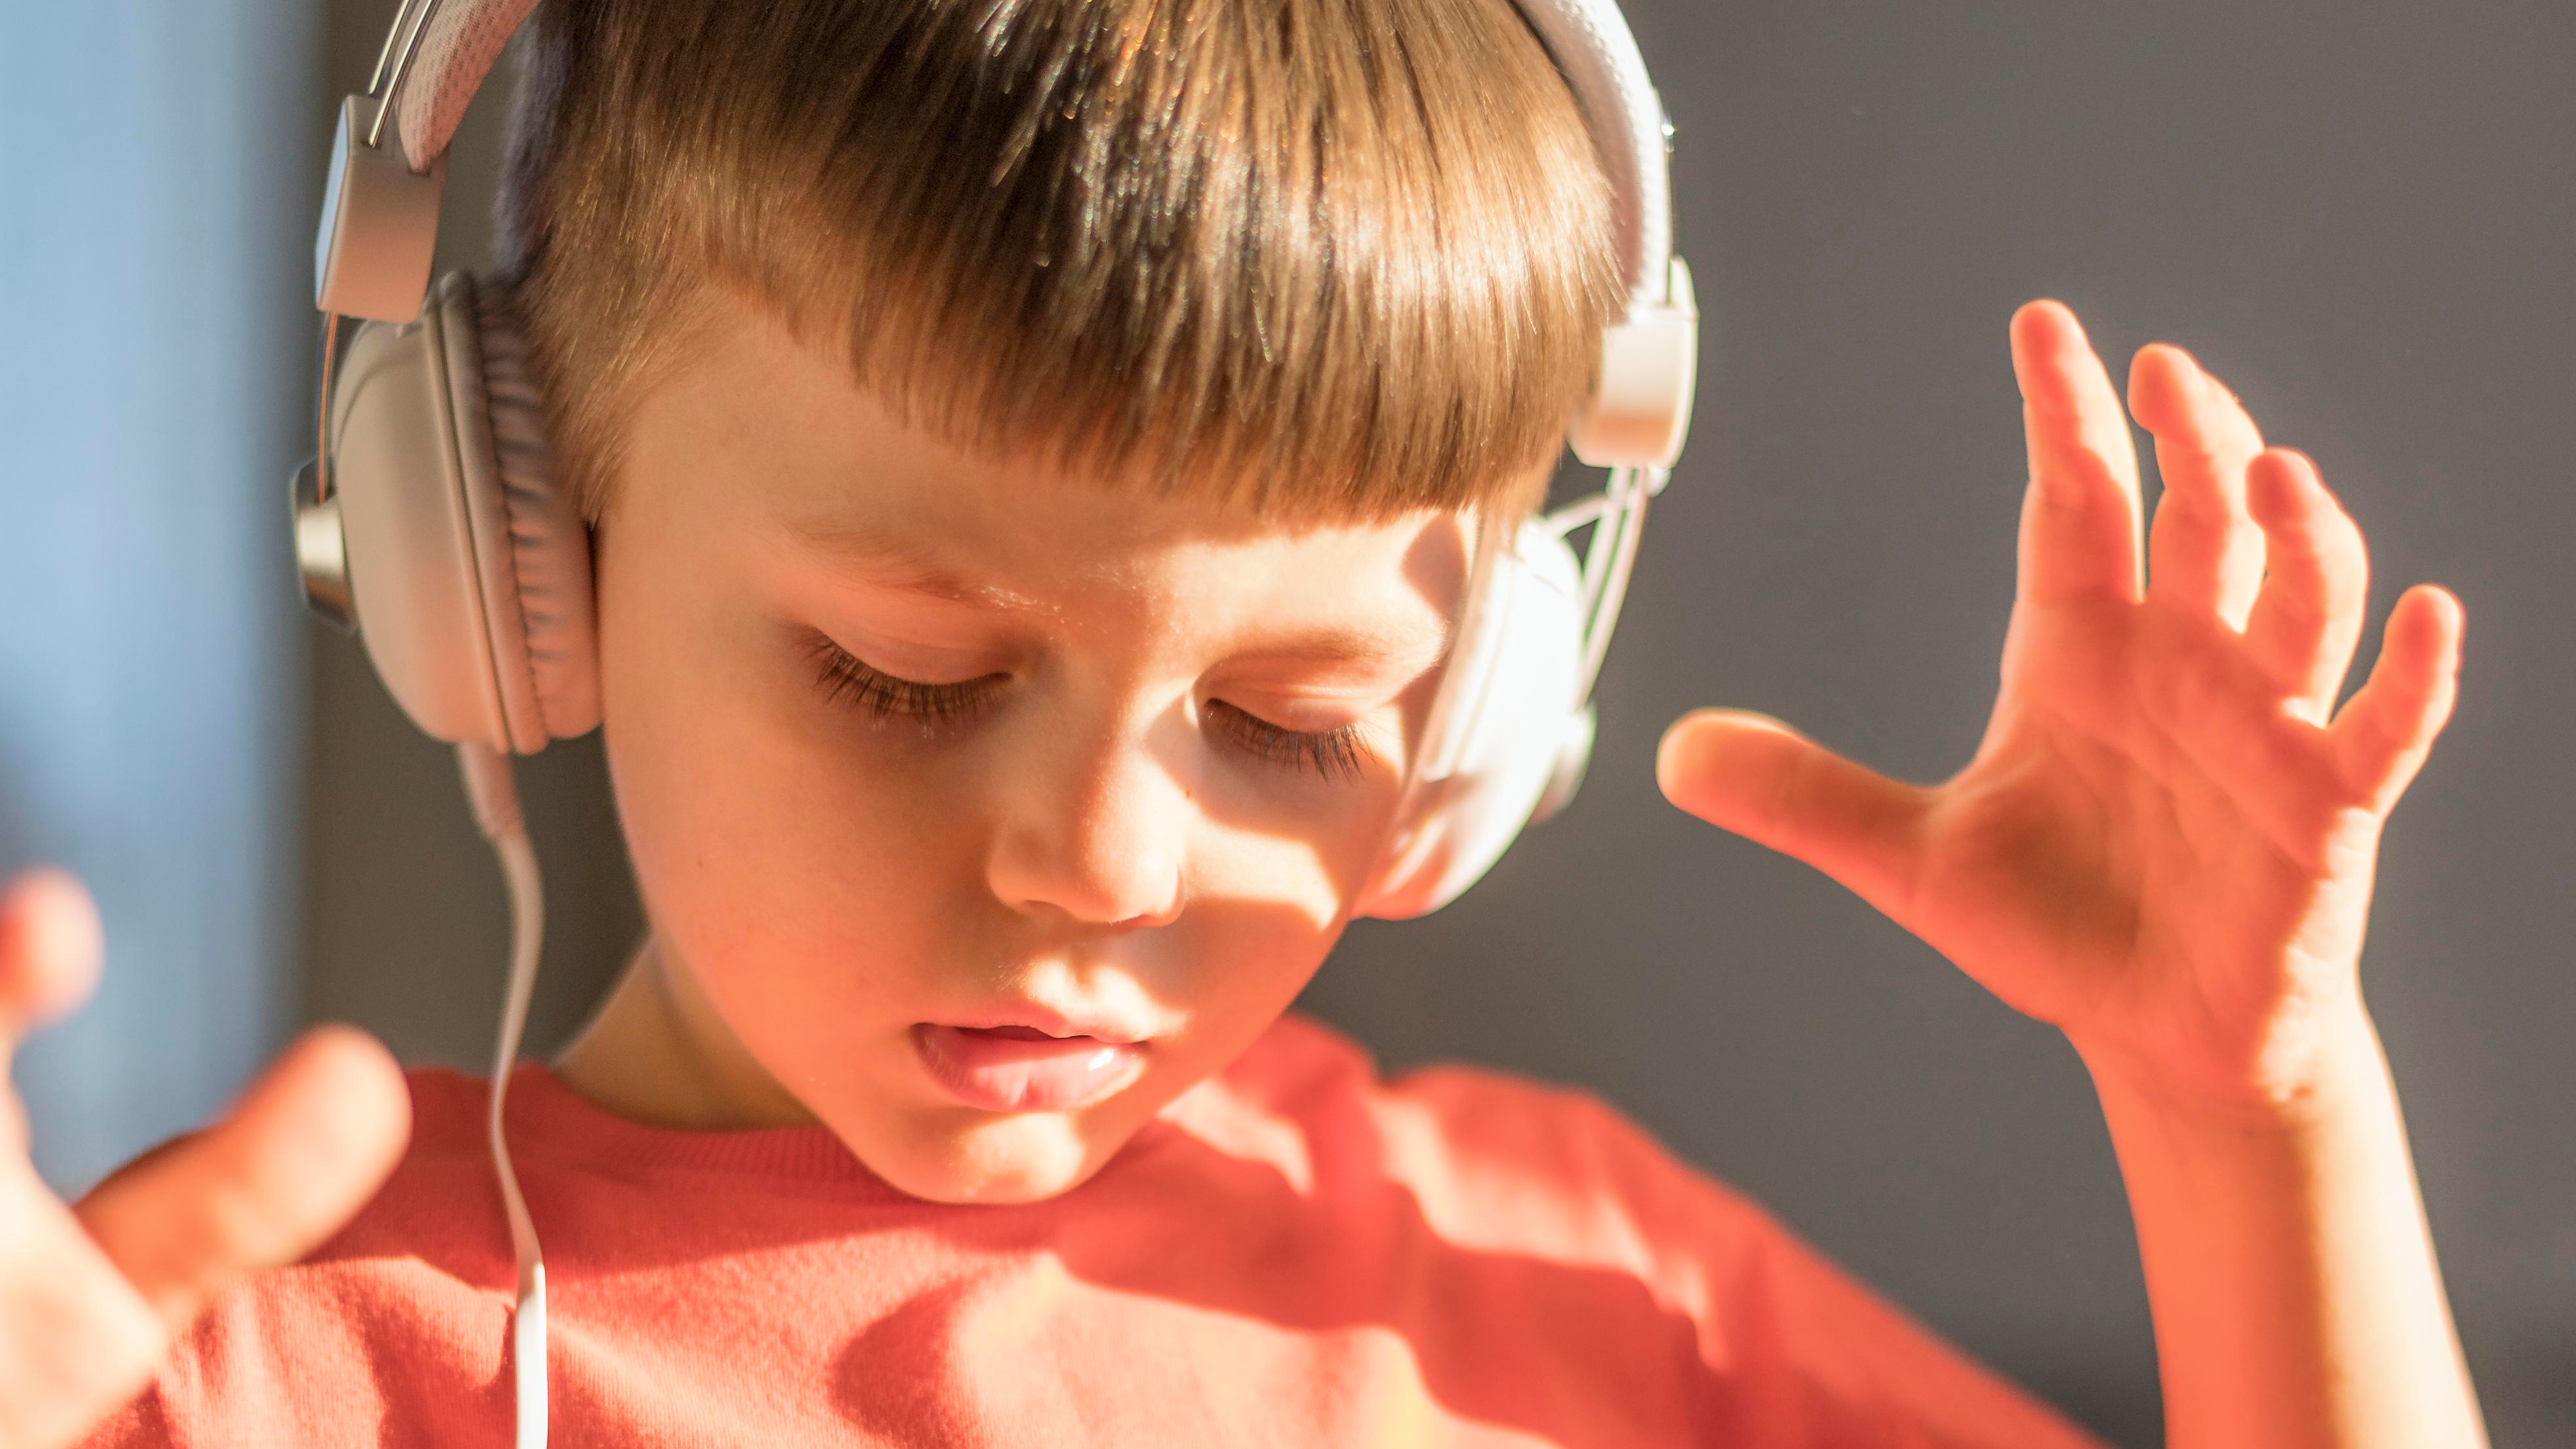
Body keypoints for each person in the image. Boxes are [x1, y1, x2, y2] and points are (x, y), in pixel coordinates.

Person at [0, 0, 2489, 1444]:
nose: (1098, 858)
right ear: (515, 553)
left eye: (1301, 720)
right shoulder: (268, 1357)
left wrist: (2242, 1108)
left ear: (1492, 704)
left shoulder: (1556, 1281)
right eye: (909, 673)